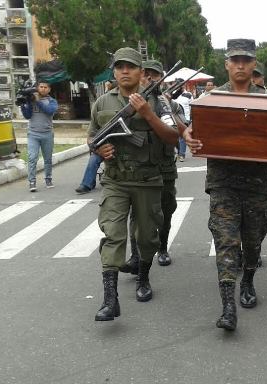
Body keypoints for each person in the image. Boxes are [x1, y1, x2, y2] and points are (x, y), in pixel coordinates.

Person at [183, 39, 267, 331]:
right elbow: (194, 129)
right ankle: (227, 306)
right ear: (226, 64)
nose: (240, 65)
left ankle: (247, 279)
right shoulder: (211, 99)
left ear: (254, 64)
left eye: (246, 60)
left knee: (253, 240)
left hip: (259, 182)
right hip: (223, 181)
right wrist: (188, 135)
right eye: (235, 60)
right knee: (225, 240)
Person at [90, 47, 179, 322]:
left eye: (130, 67)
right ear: (114, 72)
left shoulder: (160, 102)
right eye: (119, 67)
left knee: (146, 237)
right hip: (115, 181)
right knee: (113, 234)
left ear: (141, 72)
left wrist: (147, 113)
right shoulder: (102, 103)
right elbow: (92, 136)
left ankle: (143, 278)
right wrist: (99, 150)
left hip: (149, 181)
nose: (124, 71)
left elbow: (174, 137)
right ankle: (110, 299)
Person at [122, 59, 185, 272]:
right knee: (137, 213)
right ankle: (135, 255)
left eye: (154, 74)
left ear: (161, 78)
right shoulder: (127, 103)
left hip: (165, 167)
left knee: (166, 209)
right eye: (146, 73)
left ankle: (163, 248)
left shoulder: (170, 104)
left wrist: (162, 107)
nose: (149, 78)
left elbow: (179, 133)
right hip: (140, 169)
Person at [21, 79, 58, 192]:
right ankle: (32, 181)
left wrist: (38, 101)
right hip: (33, 134)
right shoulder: (31, 100)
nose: (43, 89)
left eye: (45, 87)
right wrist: (23, 104)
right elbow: (27, 116)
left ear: (49, 89)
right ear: (37, 88)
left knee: (47, 159)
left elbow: (49, 111)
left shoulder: (52, 101)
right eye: (41, 87)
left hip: (47, 134)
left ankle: (48, 178)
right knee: (32, 158)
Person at [174, 83, 192, 162]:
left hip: (186, 118)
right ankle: (178, 152)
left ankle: (182, 154)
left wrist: (191, 118)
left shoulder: (188, 94)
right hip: (175, 118)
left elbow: (191, 105)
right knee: (176, 136)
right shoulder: (173, 94)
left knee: (182, 137)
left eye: (180, 85)